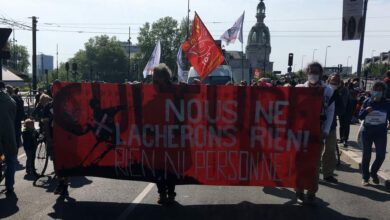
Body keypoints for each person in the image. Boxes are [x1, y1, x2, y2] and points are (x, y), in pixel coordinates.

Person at [295, 62, 335, 204]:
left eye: (316, 72)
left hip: (317, 132)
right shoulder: (299, 89)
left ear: (321, 73)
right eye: (311, 71)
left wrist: (325, 130)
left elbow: (330, 112)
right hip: (300, 132)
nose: (313, 74)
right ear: (307, 73)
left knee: (314, 164)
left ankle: (311, 192)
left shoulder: (328, 90)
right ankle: (299, 191)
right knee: (299, 162)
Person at [152, 64, 177, 205]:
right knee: (159, 168)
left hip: (172, 136)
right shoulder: (151, 91)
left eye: (156, 80)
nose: (154, 83)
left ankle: (170, 193)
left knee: (170, 167)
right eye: (153, 80)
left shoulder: (176, 90)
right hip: (157, 136)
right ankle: (162, 193)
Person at [358, 81, 390, 186]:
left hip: (381, 133)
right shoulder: (367, 101)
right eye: (375, 89)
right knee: (366, 156)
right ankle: (365, 177)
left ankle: (373, 172)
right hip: (367, 132)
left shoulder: (387, 103)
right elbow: (360, 116)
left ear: (383, 92)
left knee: (381, 155)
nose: (377, 92)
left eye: (380, 90)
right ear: (372, 91)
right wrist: (366, 111)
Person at [322, 73, 344, 183]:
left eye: (336, 81)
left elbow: (341, 110)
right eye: (332, 81)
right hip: (318, 125)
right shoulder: (322, 91)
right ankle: (313, 173)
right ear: (328, 81)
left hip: (331, 126)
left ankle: (328, 174)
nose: (334, 83)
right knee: (316, 150)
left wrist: (331, 110)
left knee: (330, 151)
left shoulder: (338, 95)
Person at [0, 81, 17, 194]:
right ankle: (9, 185)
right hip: (9, 134)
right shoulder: (11, 101)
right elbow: (14, 118)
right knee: (10, 159)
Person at [339, 80, 353, 148]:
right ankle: (341, 138)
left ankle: (345, 139)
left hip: (347, 110)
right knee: (341, 125)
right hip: (342, 110)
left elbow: (344, 102)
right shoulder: (339, 90)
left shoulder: (345, 90)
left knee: (346, 124)